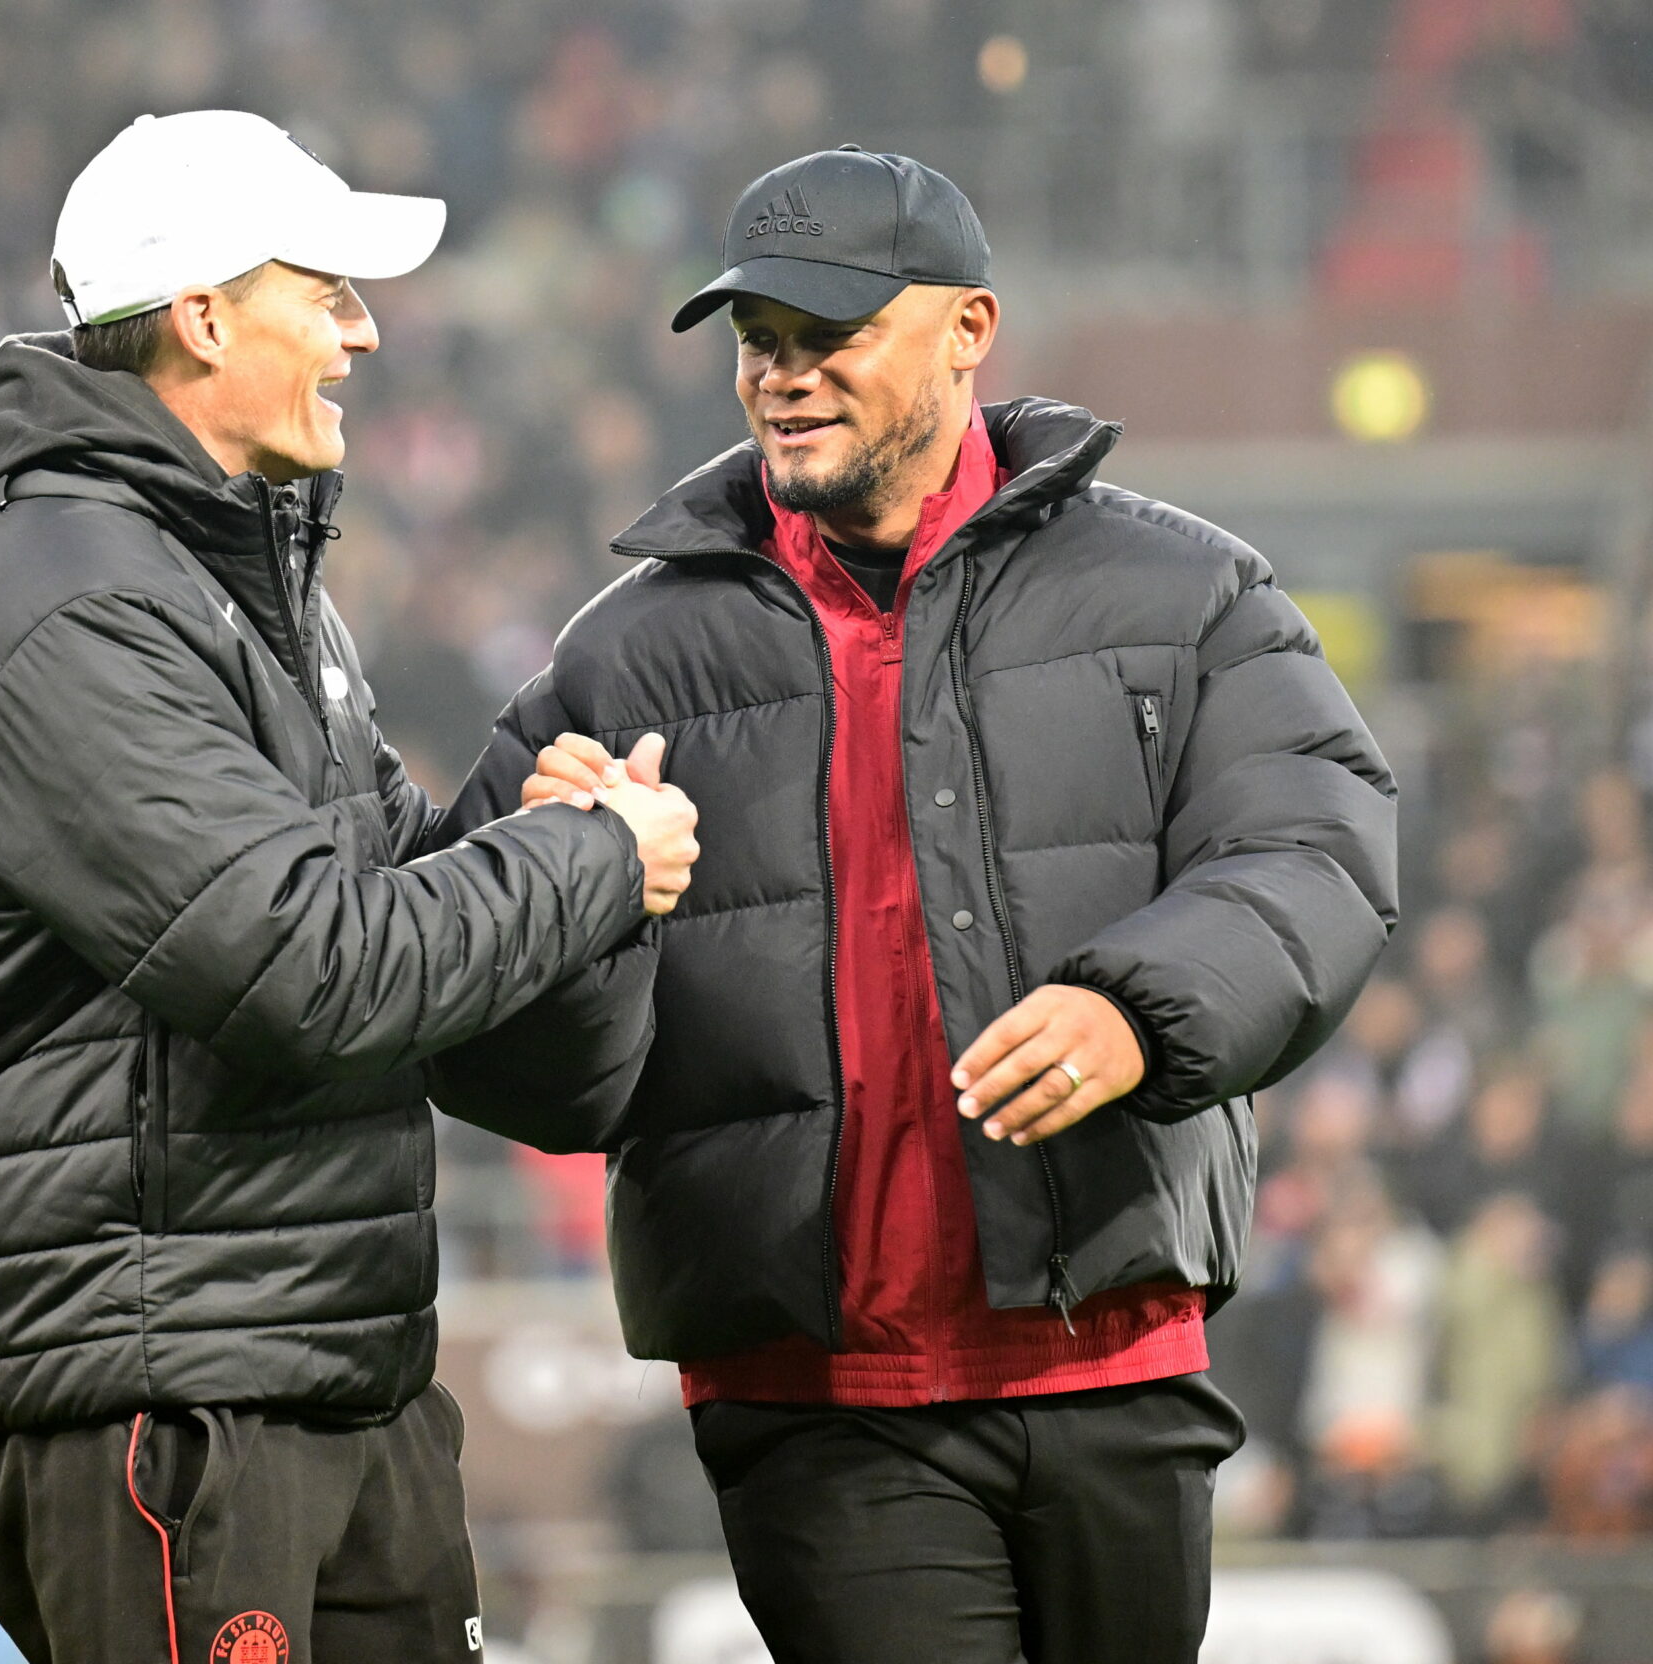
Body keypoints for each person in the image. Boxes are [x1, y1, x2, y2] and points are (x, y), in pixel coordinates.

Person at [434, 147, 1397, 1663]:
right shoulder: (622, 661)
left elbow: (1316, 853)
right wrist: (564, 891)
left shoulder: (1185, 592)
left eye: (833, 337)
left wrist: (1140, 1009)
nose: (786, 379)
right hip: (820, 1411)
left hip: (1117, 1370)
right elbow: (483, 1034)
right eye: (762, 345)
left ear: (970, 328)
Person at [0, 111, 699, 1663]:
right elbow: (321, 975)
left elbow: (474, 1014)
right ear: (201, 317)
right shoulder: (75, 612)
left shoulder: (253, 606)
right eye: (322, 290)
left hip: (339, 1377)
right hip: (175, 1400)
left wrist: (585, 886)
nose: (363, 330)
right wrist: (580, 862)